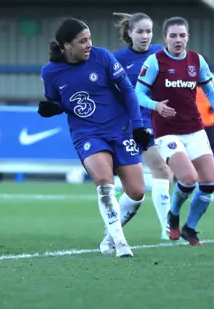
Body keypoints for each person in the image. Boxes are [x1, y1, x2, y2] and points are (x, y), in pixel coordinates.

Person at [38, 18, 152, 258]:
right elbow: (58, 100)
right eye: (83, 41)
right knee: (104, 181)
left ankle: (109, 235)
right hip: (87, 133)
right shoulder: (50, 73)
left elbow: (129, 93)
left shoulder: (102, 57)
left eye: (90, 39)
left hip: (120, 130)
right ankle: (121, 244)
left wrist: (138, 126)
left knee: (137, 192)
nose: (89, 44)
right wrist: (54, 108)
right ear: (67, 45)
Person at [135, 16, 214, 246]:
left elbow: (210, 93)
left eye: (182, 35)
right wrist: (156, 106)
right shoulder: (155, 62)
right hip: (167, 132)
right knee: (188, 178)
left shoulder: (197, 61)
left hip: (195, 129)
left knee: (208, 185)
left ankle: (190, 229)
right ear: (164, 38)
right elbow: (138, 94)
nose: (178, 40)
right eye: (173, 36)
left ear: (188, 37)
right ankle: (173, 215)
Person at [112, 12, 174, 239]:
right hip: (131, 124)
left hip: (158, 121)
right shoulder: (117, 59)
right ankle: (168, 229)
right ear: (129, 33)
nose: (145, 36)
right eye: (140, 31)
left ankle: (116, 223)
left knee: (165, 174)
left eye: (148, 31)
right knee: (162, 170)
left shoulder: (160, 53)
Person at [196, 72, 214, 165]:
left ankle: (211, 172)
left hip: (208, 121)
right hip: (192, 121)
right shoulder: (184, 77)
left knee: (210, 147)